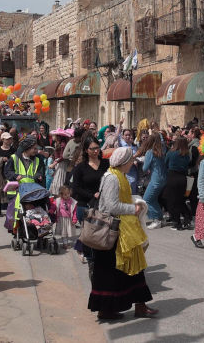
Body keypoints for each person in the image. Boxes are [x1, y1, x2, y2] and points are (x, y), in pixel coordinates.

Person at [88, 147, 157, 320]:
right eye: (130, 160)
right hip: (115, 230)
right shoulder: (112, 178)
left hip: (122, 228)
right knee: (116, 272)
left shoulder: (117, 175)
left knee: (130, 269)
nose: (132, 163)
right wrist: (133, 208)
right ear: (124, 162)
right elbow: (111, 206)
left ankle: (132, 306)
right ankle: (109, 309)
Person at [70, 137, 110, 265]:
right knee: (90, 232)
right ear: (86, 150)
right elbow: (75, 188)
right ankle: (90, 257)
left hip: (104, 203)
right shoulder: (80, 168)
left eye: (97, 148)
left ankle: (91, 254)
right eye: (92, 149)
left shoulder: (106, 164)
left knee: (101, 232)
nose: (95, 151)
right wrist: (93, 195)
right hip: (85, 204)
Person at [136, 133, 167, 229]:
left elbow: (145, 168)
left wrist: (139, 161)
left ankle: (156, 219)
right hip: (163, 178)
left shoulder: (150, 152)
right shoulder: (163, 150)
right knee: (153, 199)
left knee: (146, 200)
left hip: (155, 179)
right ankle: (160, 218)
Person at [164, 136, 192, 230]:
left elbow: (166, 163)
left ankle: (177, 223)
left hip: (172, 177)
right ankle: (187, 219)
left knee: (172, 201)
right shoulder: (187, 154)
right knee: (180, 200)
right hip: (183, 178)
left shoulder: (171, 153)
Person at [0, 132, 16, 217]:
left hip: (9, 173)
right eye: (7, 139)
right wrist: (1, 159)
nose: (9, 140)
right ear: (3, 140)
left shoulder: (12, 149)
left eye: (10, 139)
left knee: (9, 191)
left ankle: (10, 210)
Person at [48, 129, 71, 197]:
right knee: (56, 182)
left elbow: (62, 157)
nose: (53, 136)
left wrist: (54, 163)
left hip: (62, 164)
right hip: (59, 164)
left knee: (59, 183)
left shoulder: (63, 144)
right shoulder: (59, 143)